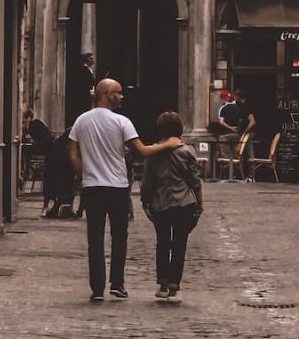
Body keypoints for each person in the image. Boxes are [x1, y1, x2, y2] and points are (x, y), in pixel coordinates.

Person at [67, 78, 177, 302]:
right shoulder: (122, 122)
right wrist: (168, 144)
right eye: (118, 92)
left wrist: (83, 174)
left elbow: (72, 152)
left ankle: (97, 289)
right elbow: (143, 151)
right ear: (107, 94)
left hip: (93, 187)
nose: (122, 96)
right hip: (117, 187)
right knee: (120, 237)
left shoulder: (81, 121)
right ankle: (117, 283)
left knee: (95, 239)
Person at [140, 109, 204, 302]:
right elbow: (194, 180)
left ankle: (162, 284)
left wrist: (145, 202)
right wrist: (200, 202)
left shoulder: (153, 152)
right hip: (184, 203)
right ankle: (174, 288)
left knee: (162, 243)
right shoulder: (187, 151)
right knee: (179, 245)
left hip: (160, 203)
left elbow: (147, 181)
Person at [24, 109, 71, 218]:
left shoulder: (34, 124)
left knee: (50, 181)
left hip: (52, 156)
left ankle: (48, 207)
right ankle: (51, 206)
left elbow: (44, 139)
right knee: (51, 181)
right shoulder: (35, 124)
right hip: (51, 155)